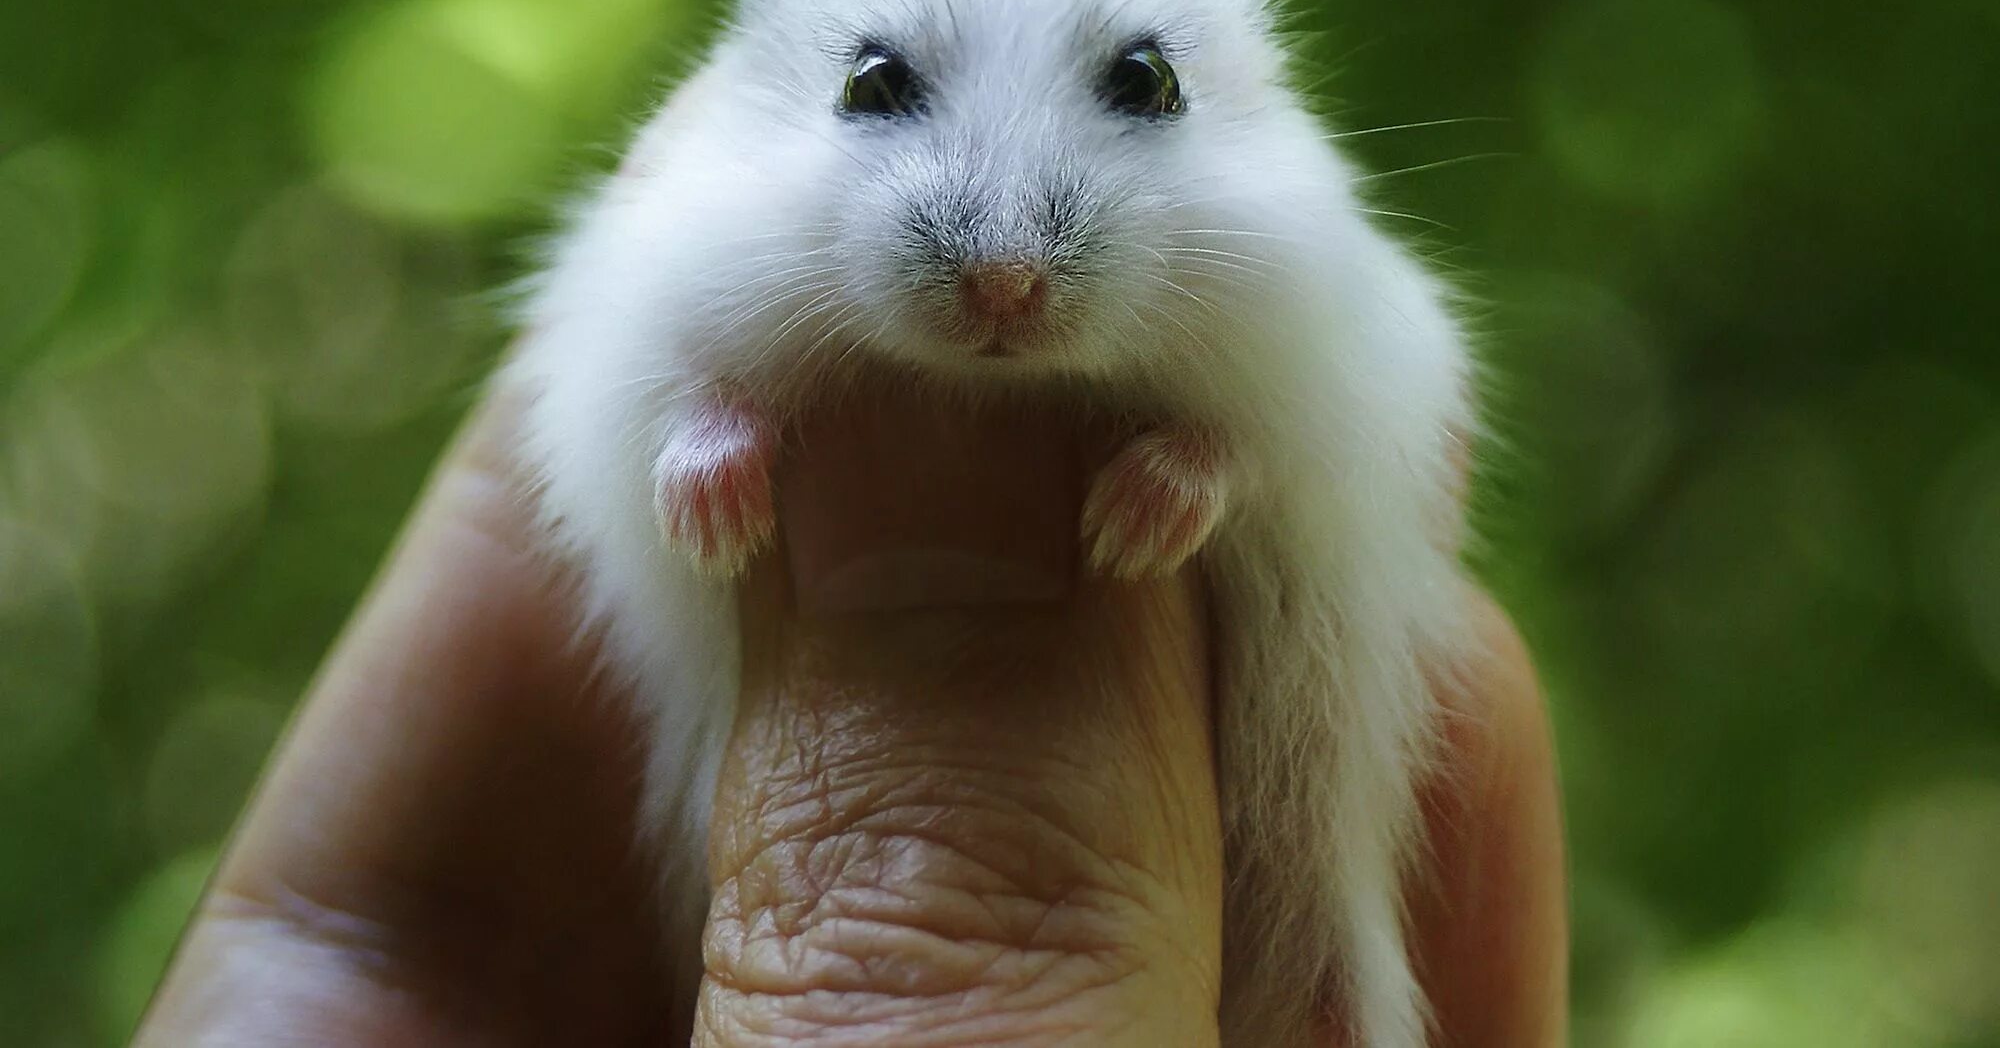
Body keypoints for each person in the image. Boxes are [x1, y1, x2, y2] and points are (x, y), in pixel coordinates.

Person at [135, 383, 1568, 1046]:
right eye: (884, 88)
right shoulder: (710, 246)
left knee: (1325, 950)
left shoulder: (1294, 271)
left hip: (1253, 894)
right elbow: (604, 374)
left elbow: (1374, 388)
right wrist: (699, 431)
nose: (1004, 267)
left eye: (1135, 87)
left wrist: (1217, 454)